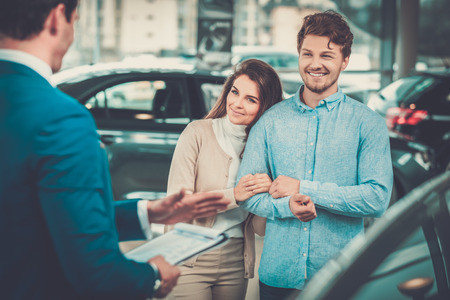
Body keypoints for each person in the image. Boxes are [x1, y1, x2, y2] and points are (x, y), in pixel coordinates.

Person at [0, 1, 229, 299]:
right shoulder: (60, 118)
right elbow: (96, 274)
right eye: (75, 21)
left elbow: (30, 213)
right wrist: (153, 275)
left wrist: (147, 212)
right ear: (57, 18)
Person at [236, 10, 393, 300]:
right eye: (308, 54)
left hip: (340, 278)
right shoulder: (270, 121)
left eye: (327, 55)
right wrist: (287, 207)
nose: (315, 64)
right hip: (278, 279)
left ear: (345, 61)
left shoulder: (368, 124)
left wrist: (304, 189)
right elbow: (246, 194)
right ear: (299, 54)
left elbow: (377, 198)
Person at [166, 59, 284, 300]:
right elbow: (178, 205)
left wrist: (270, 192)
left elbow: (260, 229)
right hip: (190, 255)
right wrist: (235, 195)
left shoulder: (265, 149)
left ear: (265, 107)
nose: (237, 104)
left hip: (236, 260)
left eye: (251, 100)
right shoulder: (196, 133)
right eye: (235, 92)